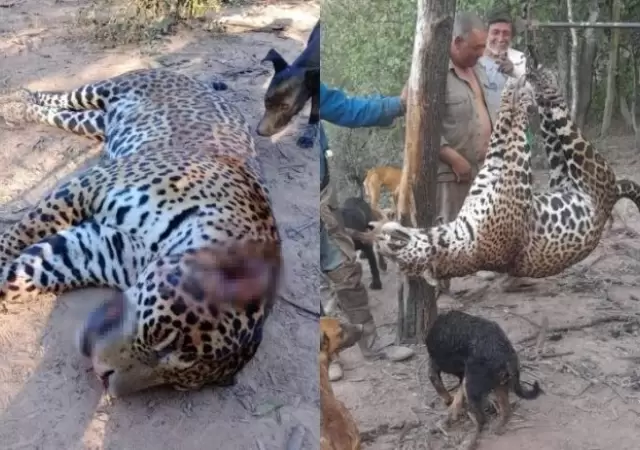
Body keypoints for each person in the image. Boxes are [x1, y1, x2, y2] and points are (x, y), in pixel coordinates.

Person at [320, 84, 415, 382]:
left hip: (321, 196)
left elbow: (345, 107)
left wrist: (396, 105)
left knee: (345, 271)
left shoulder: (308, 81)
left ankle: (372, 345)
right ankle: (325, 356)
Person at [433, 11, 493, 294]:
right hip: (450, 170)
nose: (481, 54)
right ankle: (440, 290)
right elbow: (417, 125)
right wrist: (452, 157)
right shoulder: (432, 73)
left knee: (479, 222)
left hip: (482, 166)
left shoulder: (477, 70)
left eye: (483, 47)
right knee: (447, 227)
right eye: (476, 48)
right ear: (456, 42)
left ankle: (475, 270)